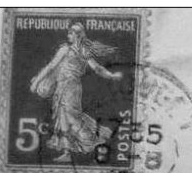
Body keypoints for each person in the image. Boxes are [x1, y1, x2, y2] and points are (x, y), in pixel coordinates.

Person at [29, 22, 123, 163]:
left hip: (71, 88)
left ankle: (92, 140)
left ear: (77, 35)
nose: (68, 36)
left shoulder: (79, 51)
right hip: (61, 87)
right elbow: (51, 67)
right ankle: (67, 152)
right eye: (68, 33)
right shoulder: (68, 50)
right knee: (63, 118)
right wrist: (37, 81)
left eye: (71, 33)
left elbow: (97, 68)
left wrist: (111, 76)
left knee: (72, 116)